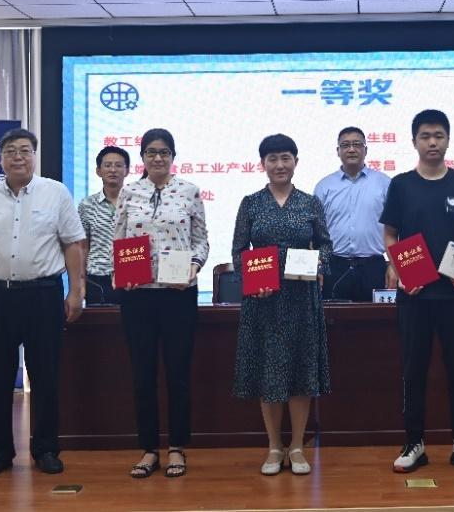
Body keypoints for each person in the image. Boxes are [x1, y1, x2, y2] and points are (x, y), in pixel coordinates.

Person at [0, 128, 85, 477]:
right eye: (11, 151)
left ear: (34, 156)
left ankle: (45, 449)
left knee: (45, 375)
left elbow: (73, 244)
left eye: (25, 150)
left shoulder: (55, 193)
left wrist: (76, 291)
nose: (18, 157)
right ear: (1, 158)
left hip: (43, 295)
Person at [380, 109, 454, 474]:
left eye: (438, 135)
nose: (432, 142)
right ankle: (414, 443)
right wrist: (399, 270)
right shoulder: (401, 184)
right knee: (413, 371)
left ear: (448, 140)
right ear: (414, 141)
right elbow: (390, 235)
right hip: (414, 295)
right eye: (425, 136)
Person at [232, 133, 332, 476]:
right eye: (272, 159)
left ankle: (298, 446)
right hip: (264, 302)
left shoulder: (310, 203)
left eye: (285, 157)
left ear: (295, 162)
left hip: (302, 300)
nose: (279, 165)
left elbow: (325, 245)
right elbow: (239, 250)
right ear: (263, 164)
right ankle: (274, 446)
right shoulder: (251, 203)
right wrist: (252, 281)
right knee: (269, 372)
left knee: (301, 371)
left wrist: (318, 265)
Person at [113, 128, 209, 479]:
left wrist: (194, 267)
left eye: (164, 152)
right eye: (151, 152)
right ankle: (149, 449)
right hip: (137, 295)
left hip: (178, 294)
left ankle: (177, 447)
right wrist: (121, 273)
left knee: (178, 373)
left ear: (173, 156)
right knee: (143, 375)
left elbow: (201, 241)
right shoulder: (129, 192)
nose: (157, 158)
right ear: (142, 157)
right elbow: (119, 239)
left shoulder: (189, 191)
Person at [314, 127, 390, 302]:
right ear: (338, 151)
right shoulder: (324, 186)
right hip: (334, 266)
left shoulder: (385, 183)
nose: (351, 149)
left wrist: (394, 266)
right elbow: (315, 232)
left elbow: (396, 228)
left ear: (365, 150)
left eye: (357, 144)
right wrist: (317, 267)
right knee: (333, 318)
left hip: (373, 267)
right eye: (345, 145)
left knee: (377, 318)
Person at [78, 146, 130, 305]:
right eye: (107, 165)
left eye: (118, 165)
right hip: (97, 279)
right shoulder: (87, 204)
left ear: (127, 171)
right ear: (98, 171)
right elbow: (82, 247)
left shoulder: (136, 203)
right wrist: (80, 283)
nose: (113, 170)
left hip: (131, 277)